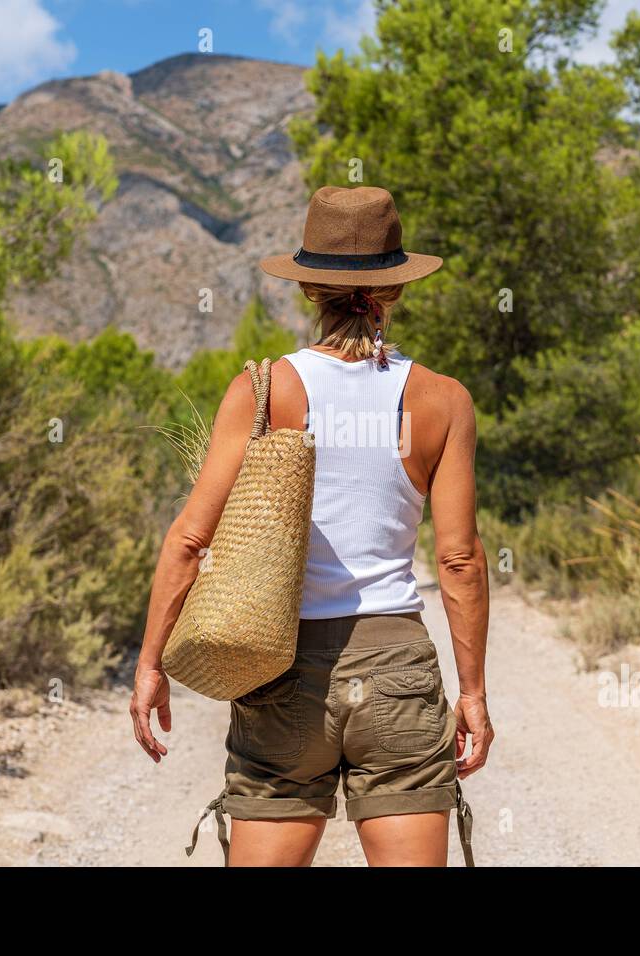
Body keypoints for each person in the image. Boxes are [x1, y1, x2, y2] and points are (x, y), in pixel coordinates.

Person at [130, 185, 493, 866]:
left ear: (308, 291)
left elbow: (188, 540)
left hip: (281, 673)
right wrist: (471, 694)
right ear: (394, 290)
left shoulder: (265, 390)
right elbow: (460, 563)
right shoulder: (444, 400)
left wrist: (151, 664)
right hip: (398, 674)